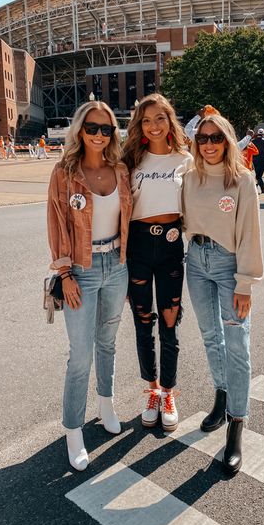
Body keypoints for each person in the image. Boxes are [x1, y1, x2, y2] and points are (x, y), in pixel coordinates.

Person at [47, 100, 132, 471]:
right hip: (80, 269)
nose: (99, 135)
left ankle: (107, 403)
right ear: (80, 130)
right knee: (80, 355)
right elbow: (57, 225)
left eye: (106, 129)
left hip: (117, 264)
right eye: (92, 128)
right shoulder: (64, 172)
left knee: (108, 343)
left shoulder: (121, 170)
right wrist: (64, 275)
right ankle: (74, 430)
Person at [182, 113, 263, 475]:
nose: (210, 144)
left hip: (229, 265)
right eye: (203, 138)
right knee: (210, 336)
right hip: (195, 261)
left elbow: (249, 234)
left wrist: (245, 283)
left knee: (237, 344)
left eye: (216, 138)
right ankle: (221, 395)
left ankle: (236, 425)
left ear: (228, 141)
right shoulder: (189, 176)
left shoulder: (242, 180)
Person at [122, 93, 192, 433]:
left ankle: (168, 392)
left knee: (169, 321)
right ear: (139, 124)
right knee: (142, 321)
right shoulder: (131, 160)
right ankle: (150, 390)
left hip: (170, 245)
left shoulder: (185, 159)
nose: (153, 126)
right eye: (146, 120)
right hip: (136, 245)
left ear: (170, 121)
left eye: (159, 119)